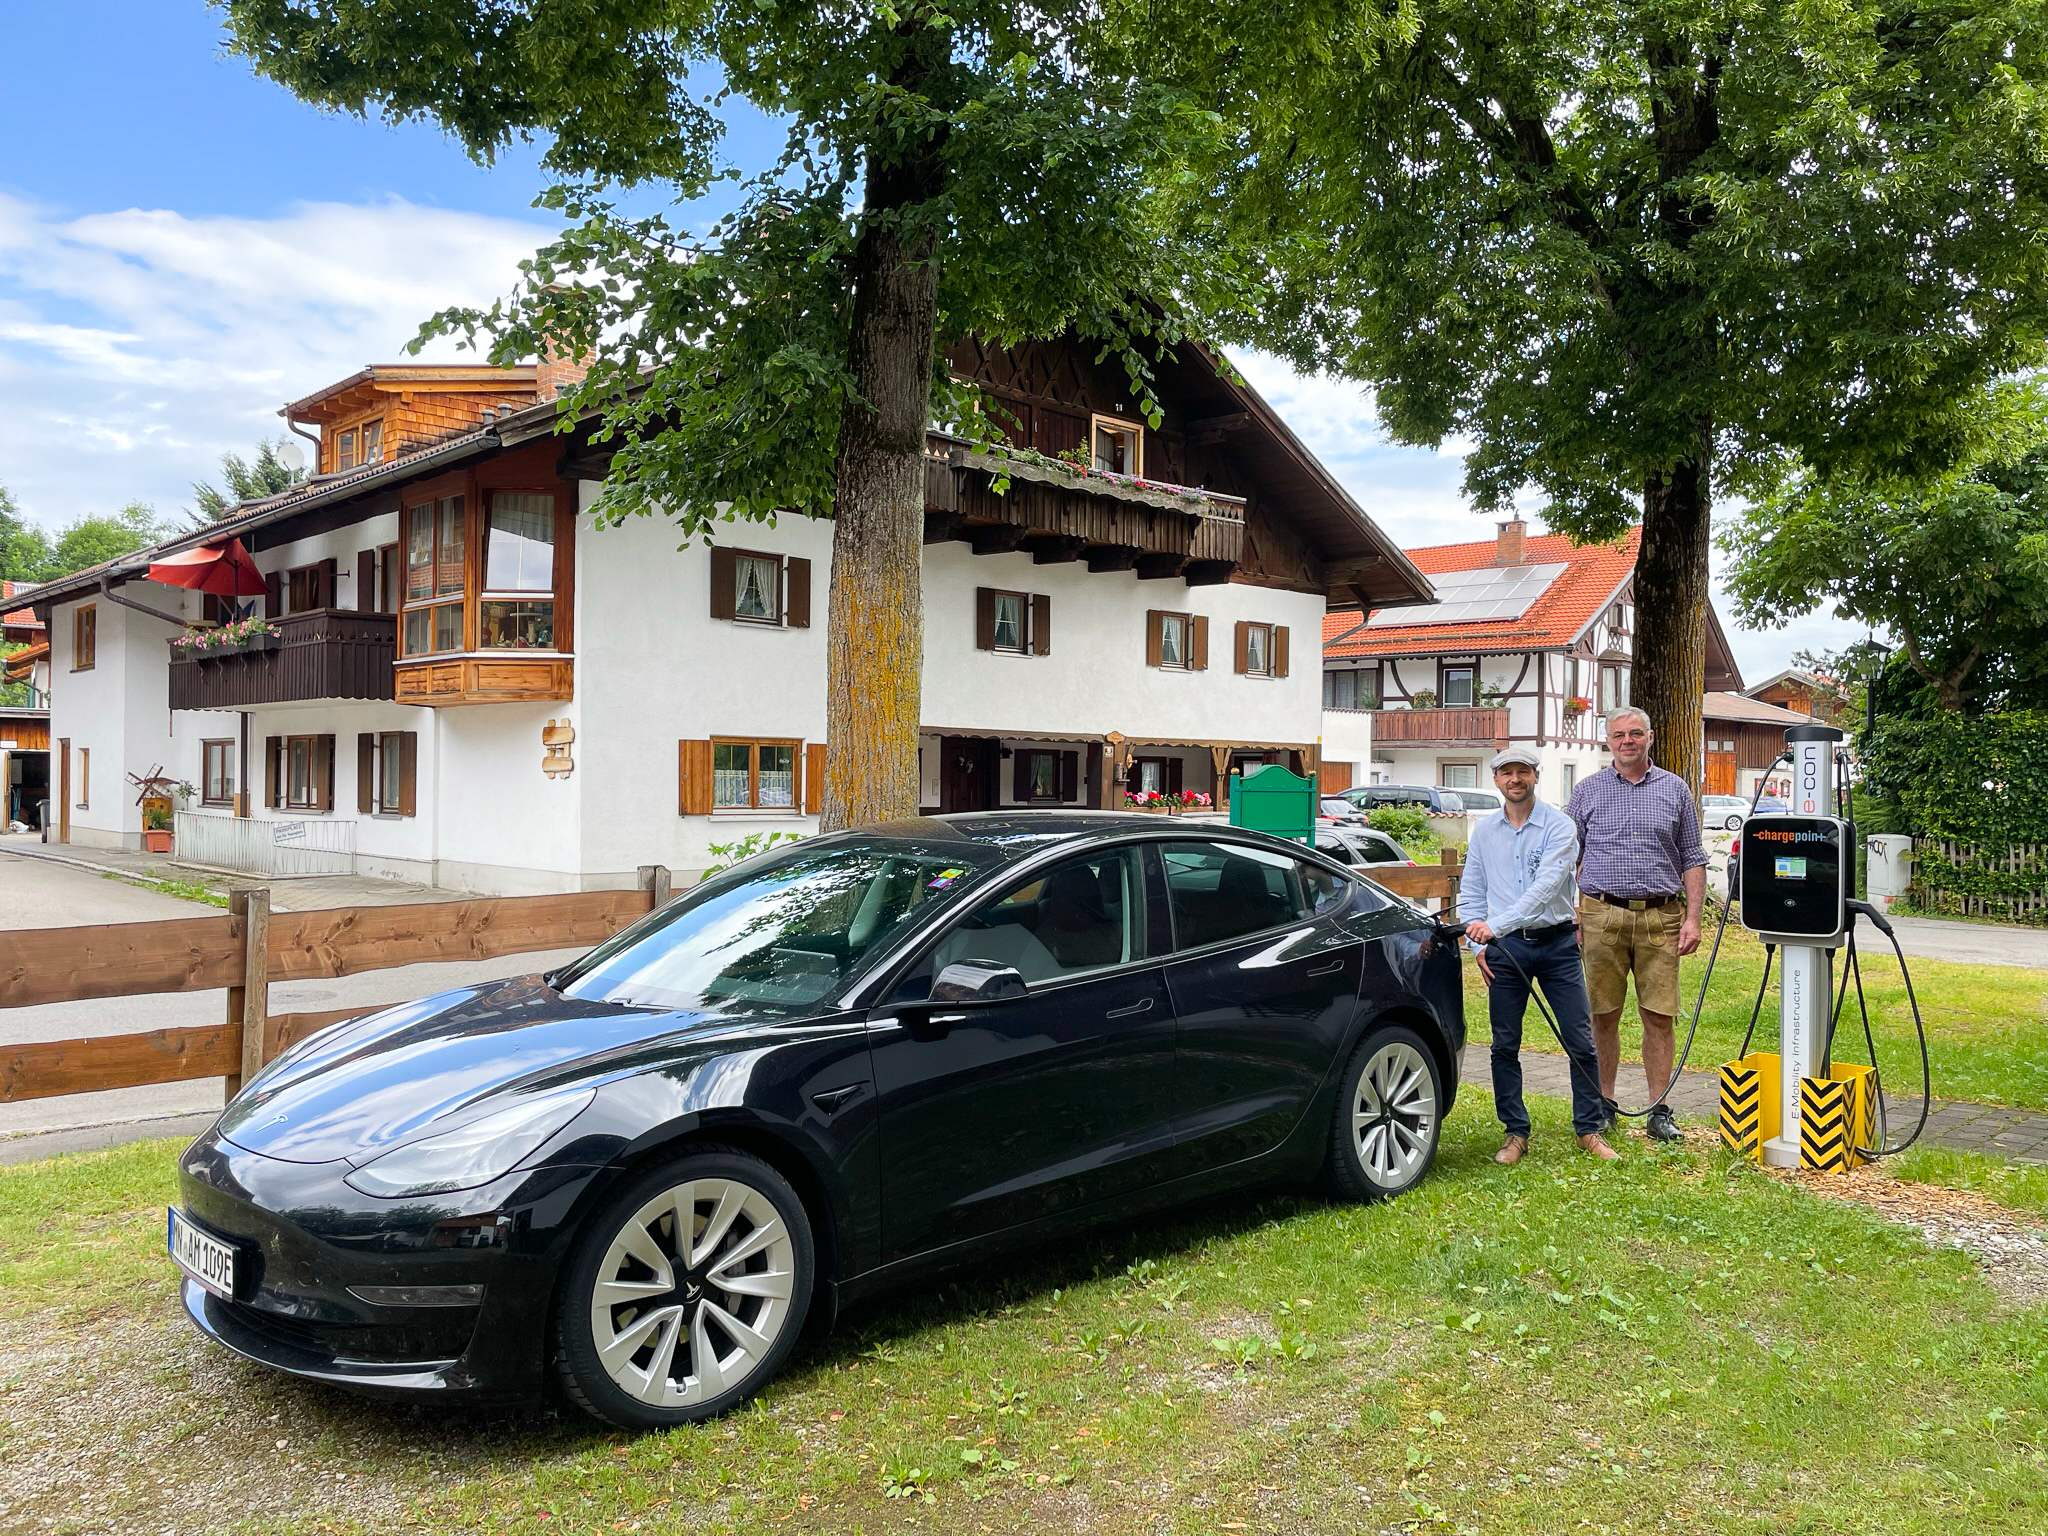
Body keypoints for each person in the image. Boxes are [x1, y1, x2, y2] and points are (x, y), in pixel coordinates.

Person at [1461, 747, 1615, 1164]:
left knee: (1580, 1040)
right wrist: (1479, 944)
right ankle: (1515, 1133)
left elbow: (1546, 888)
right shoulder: (1485, 832)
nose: (1515, 779)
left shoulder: (1561, 826)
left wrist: (1495, 925)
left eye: (1523, 772)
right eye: (1507, 772)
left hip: (1558, 945)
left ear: (1534, 777)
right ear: (1497, 780)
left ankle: (1589, 1129)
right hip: (1506, 950)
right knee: (1504, 1043)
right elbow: (1471, 890)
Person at [1567, 706, 1707, 1143]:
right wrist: (1570, 913)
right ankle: (1603, 1104)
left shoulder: (1675, 789)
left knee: (1658, 1015)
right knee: (1602, 1015)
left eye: (1635, 733)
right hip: (1599, 914)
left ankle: (1658, 1109)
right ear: (1607, 742)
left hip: (1660, 917)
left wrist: (1693, 919)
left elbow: (1693, 858)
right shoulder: (1587, 791)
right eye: (1618, 735)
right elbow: (1563, 857)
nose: (1627, 741)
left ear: (1650, 737)